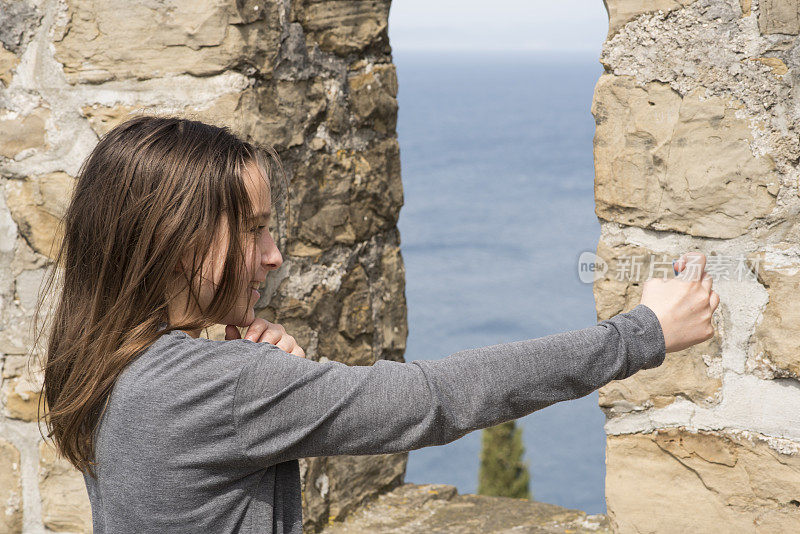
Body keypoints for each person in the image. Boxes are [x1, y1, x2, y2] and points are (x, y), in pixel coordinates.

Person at [32, 115, 718, 533]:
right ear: (180, 242)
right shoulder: (221, 385)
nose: (275, 255)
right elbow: (434, 400)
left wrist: (264, 380)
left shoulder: (103, 362)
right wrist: (643, 331)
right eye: (253, 230)